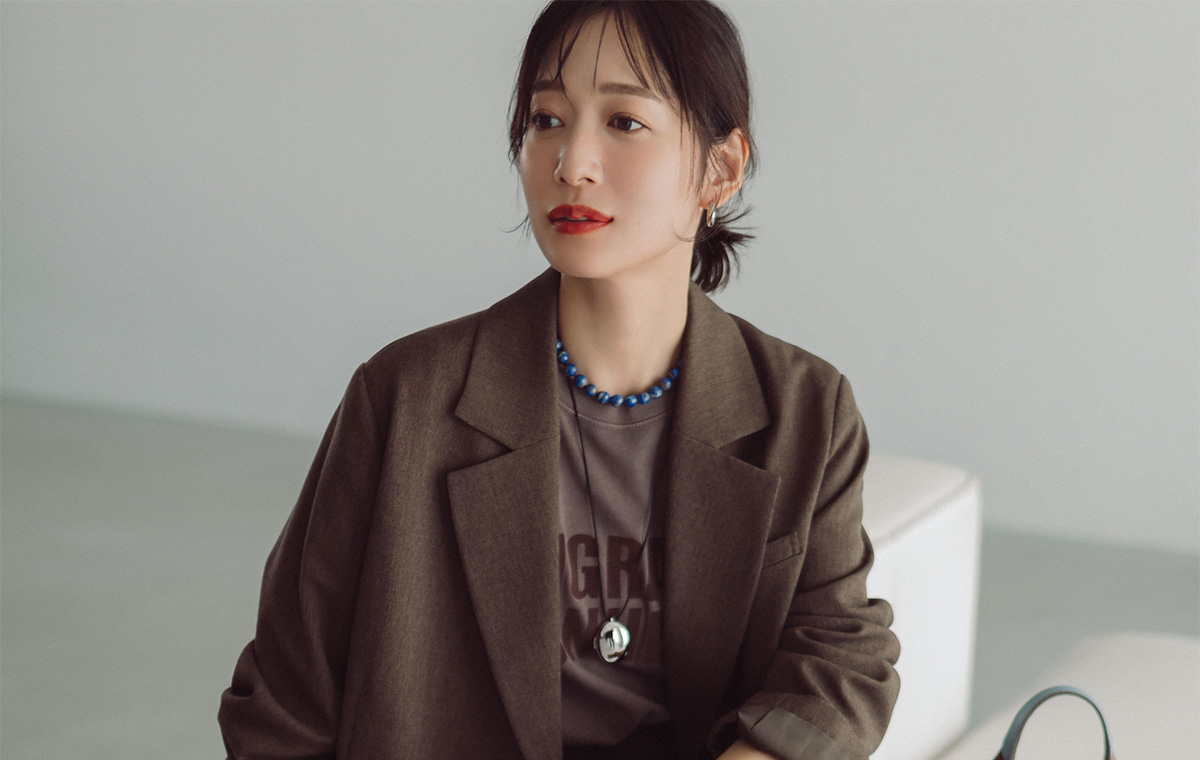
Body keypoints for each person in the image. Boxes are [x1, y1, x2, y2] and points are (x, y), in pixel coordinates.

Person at [218, 2, 900, 759]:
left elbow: (842, 648)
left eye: (624, 122)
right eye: (547, 119)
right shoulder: (405, 399)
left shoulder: (805, 410)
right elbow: (282, 707)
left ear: (721, 169)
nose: (571, 163)